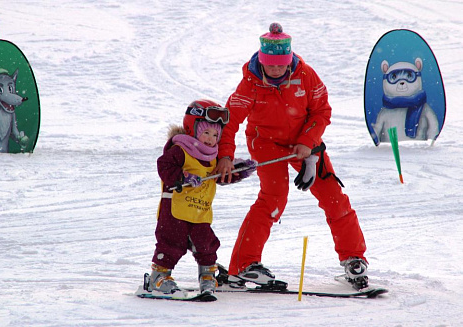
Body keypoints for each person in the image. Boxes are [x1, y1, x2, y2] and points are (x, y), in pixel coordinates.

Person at [215, 23, 369, 289]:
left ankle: (354, 258)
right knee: (273, 199)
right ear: (261, 62)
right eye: (270, 66)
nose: (275, 71)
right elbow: (229, 122)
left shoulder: (306, 75)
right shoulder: (249, 83)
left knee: (333, 195)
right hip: (265, 143)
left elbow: (322, 111)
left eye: (280, 66)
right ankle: (242, 265)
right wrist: (225, 156)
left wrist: (307, 144)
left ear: (289, 62)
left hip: (304, 143)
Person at [145, 99, 257, 295]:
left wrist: (239, 171)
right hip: (174, 211)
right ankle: (159, 276)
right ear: (192, 129)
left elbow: (219, 177)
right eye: (206, 132)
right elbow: (164, 166)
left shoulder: (212, 156)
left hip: (200, 212)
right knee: (172, 243)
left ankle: (207, 275)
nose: (211, 139)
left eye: (215, 134)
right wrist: (184, 177)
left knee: (206, 244)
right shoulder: (180, 149)